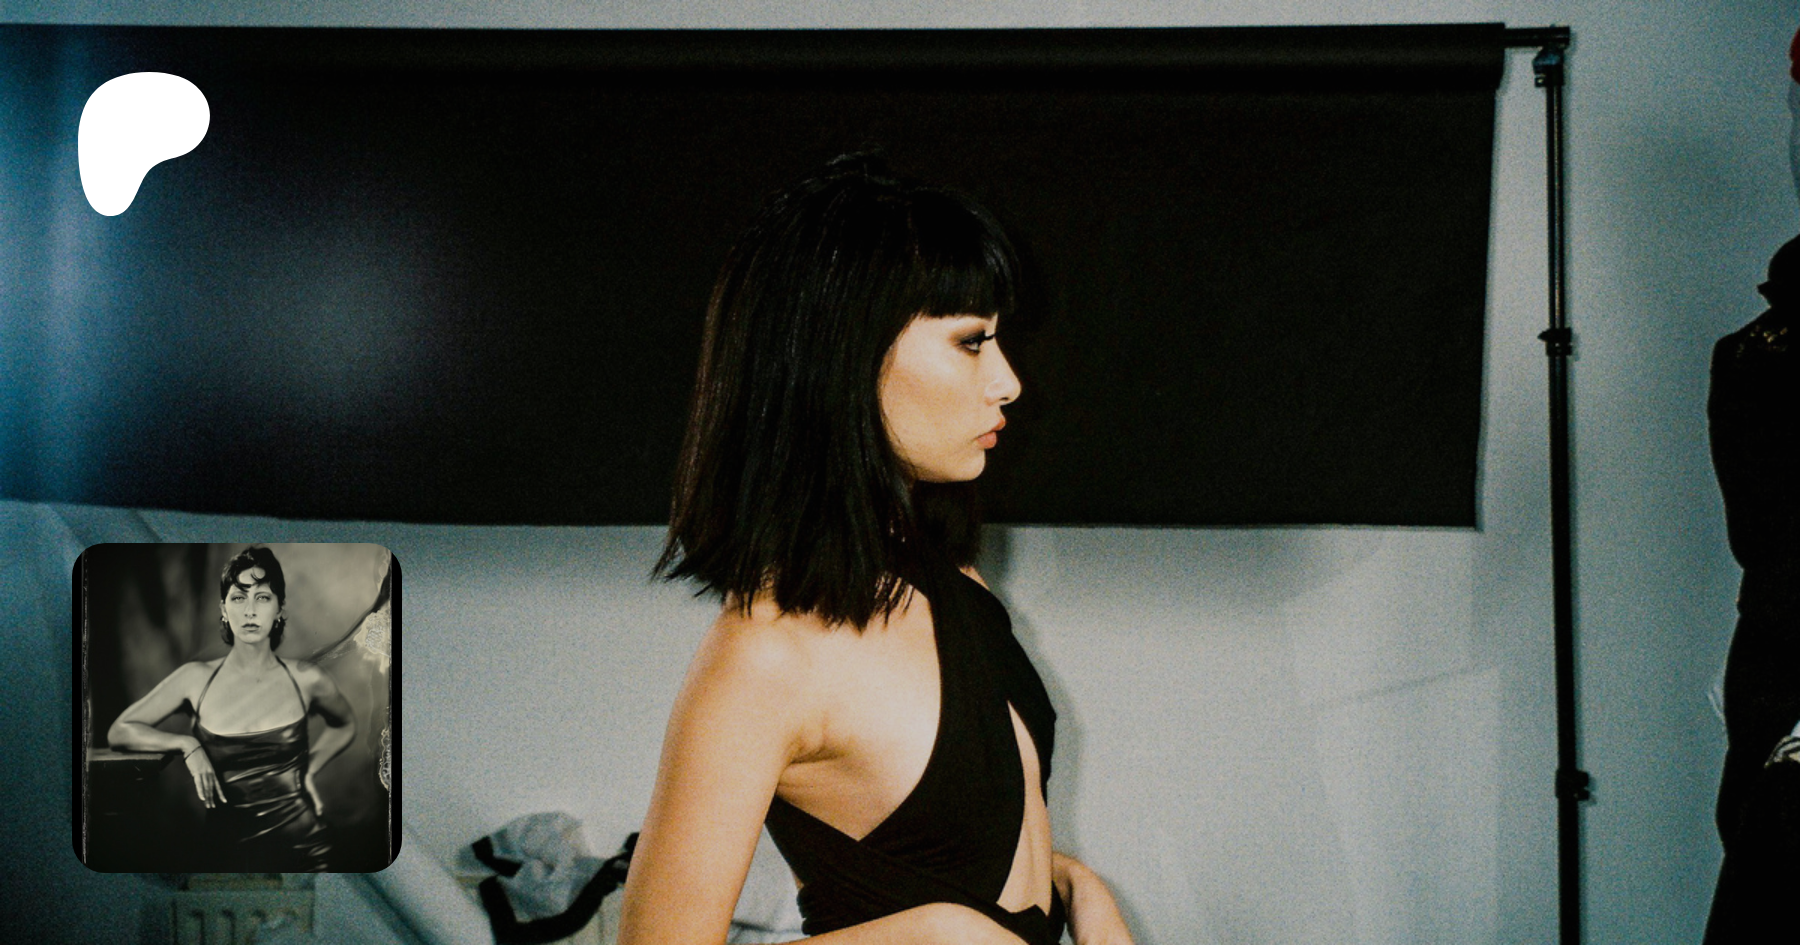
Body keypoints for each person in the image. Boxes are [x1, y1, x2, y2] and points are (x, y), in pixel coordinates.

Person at [618, 154, 1132, 945]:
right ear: (847, 357)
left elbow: (979, 858)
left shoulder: (955, 582)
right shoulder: (766, 653)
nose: (1008, 382)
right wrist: (940, 935)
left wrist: (1078, 886)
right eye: (971, 342)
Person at [108, 545, 355, 872]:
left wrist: (309, 769)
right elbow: (120, 731)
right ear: (224, 609)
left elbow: (345, 725)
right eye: (239, 598)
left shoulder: (307, 678)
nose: (250, 610)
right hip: (224, 857)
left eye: (262, 598)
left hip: (306, 852)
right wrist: (187, 745)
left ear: (279, 609)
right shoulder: (195, 678)